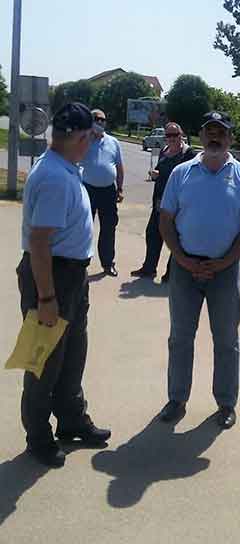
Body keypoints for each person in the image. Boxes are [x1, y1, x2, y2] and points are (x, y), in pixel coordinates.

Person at [16, 102, 111, 468]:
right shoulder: (55, 177)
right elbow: (40, 242)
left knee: (72, 354)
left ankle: (71, 418)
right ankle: (38, 436)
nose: (93, 143)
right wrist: (46, 297)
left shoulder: (63, 167)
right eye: (92, 137)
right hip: (52, 276)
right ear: (82, 137)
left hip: (70, 275)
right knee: (44, 360)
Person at [158, 111, 240, 429]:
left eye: (221, 132)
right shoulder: (181, 173)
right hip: (184, 267)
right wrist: (181, 258)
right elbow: (165, 220)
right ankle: (177, 399)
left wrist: (224, 262)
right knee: (180, 338)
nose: (215, 137)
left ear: (230, 138)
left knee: (226, 340)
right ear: (201, 136)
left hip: (224, 270)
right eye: (210, 131)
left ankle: (226, 403)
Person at [130, 122, 196, 282]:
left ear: (181, 135)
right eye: (168, 135)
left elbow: (188, 178)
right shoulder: (164, 151)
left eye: (175, 135)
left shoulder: (188, 154)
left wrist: (162, 175)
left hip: (178, 205)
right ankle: (149, 268)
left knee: (175, 238)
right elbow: (161, 172)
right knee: (153, 234)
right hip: (160, 202)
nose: (171, 138)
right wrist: (155, 175)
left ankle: (171, 273)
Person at [80, 108, 124, 277]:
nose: (99, 123)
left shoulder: (113, 142)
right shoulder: (83, 140)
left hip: (108, 191)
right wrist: (88, 137)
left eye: (102, 120)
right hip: (87, 189)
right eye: (96, 119)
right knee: (84, 227)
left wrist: (120, 188)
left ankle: (108, 263)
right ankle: (81, 263)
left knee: (109, 228)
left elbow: (119, 166)